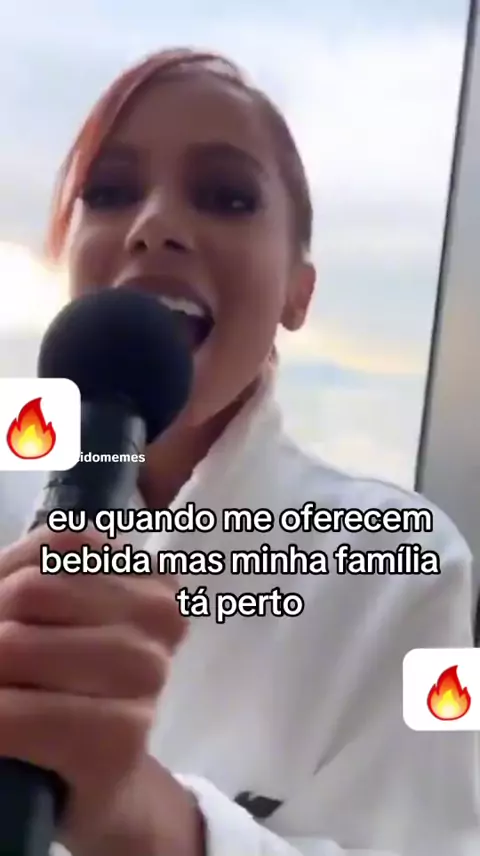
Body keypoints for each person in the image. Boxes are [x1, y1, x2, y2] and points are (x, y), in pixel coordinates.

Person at [1, 47, 478, 856]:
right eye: (109, 192)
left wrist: (154, 818)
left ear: (299, 292)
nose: (155, 225)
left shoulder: (411, 564)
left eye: (227, 196)